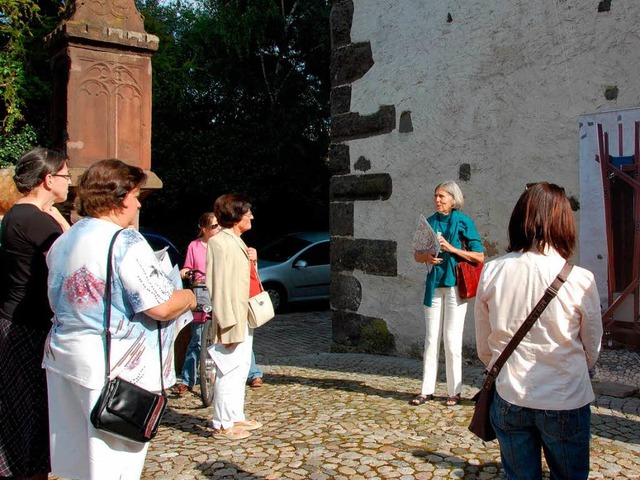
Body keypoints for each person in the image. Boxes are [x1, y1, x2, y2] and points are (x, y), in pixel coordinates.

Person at [44, 159, 196, 480]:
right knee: (113, 463)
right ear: (120, 195)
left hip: (63, 358)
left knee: (77, 459)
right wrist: (190, 297)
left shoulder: (65, 239)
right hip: (112, 370)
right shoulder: (124, 240)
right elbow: (161, 306)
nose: (138, 203)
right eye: (136, 194)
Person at [474, 182, 602, 480]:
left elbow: (484, 345)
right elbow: (591, 347)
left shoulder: (492, 270)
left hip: (510, 395)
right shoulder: (581, 279)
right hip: (564, 395)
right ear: (564, 223)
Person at [0, 148, 71, 480]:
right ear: (49, 179)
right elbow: (73, 266)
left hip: (16, 318)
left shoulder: (17, 214)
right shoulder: (36, 220)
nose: (69, 182)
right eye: (66, 176)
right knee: (31, 411)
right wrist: (63, 225)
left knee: (21, 409)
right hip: (29, 325)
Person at [411, 180, 484, 406]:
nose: (438, 200)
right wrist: (427, 257)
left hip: (455, 286)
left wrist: (452, 249)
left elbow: (479, 256)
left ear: (453, 199)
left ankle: (454, 391)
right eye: (436, 196)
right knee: (431, 338)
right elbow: (417, 255)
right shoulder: (430, 222)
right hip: (434, 284)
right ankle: (426, 390)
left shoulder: (463, 221)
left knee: (452, 339)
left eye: (442, 196)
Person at [206, 193, 263, 440]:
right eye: (247, 211)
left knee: (240, 368)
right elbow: (218, 286)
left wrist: (254, 260)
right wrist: (226, 322)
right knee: (228, 369)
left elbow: (245, 280)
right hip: (232, 316)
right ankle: (222, 422)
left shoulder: (236, 241)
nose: (251, 215)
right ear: (236, 214)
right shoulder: (220, 242)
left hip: (243, 313)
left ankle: (235, 415)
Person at [173, 212, 222, 395]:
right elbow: (187, 267)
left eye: (218, 226)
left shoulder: (221, 245)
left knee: (222, 338)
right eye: (213, 226)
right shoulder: (195, 246)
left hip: (219, 291)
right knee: (197, 339)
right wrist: (185, 273)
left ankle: (216, 375)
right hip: (201, 290)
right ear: (203, 229)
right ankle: (187, 380)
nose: (217, 229)